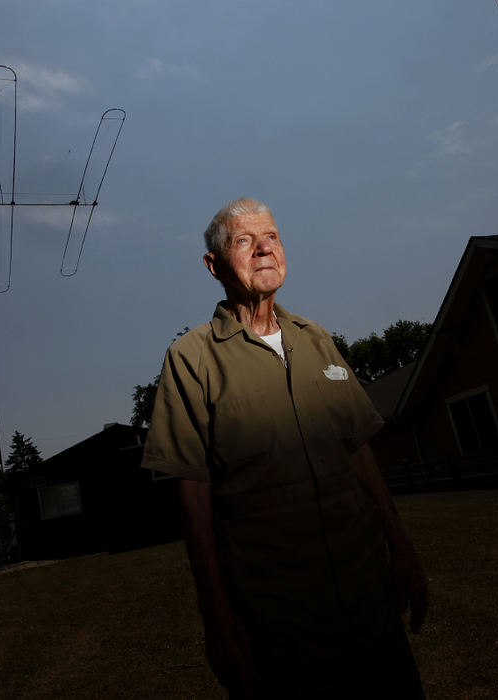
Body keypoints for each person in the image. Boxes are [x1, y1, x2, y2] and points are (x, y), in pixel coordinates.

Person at [141, 198, 428, 698]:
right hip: (279, 628)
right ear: (214, 266)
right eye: (243, 241)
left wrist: (402, 549)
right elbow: (193, 497)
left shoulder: (316, 339)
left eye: (271, 237)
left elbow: (359, 452)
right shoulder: (190, 360)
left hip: (370, 601)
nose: (263, 249)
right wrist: (217, 618)